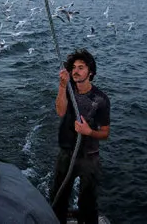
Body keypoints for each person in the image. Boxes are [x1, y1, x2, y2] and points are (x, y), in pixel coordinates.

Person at [49, 49, 110, 224]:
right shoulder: (68, 90)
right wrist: (62, 87)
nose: (76, 71)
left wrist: (89, 132)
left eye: (81, 67)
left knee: (89, 203)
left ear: (90, 72)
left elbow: (105, 132)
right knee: (58, 198)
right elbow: (60, 112)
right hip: (66, 153)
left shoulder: (100, 99)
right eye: (74, 67)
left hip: (89, 157)